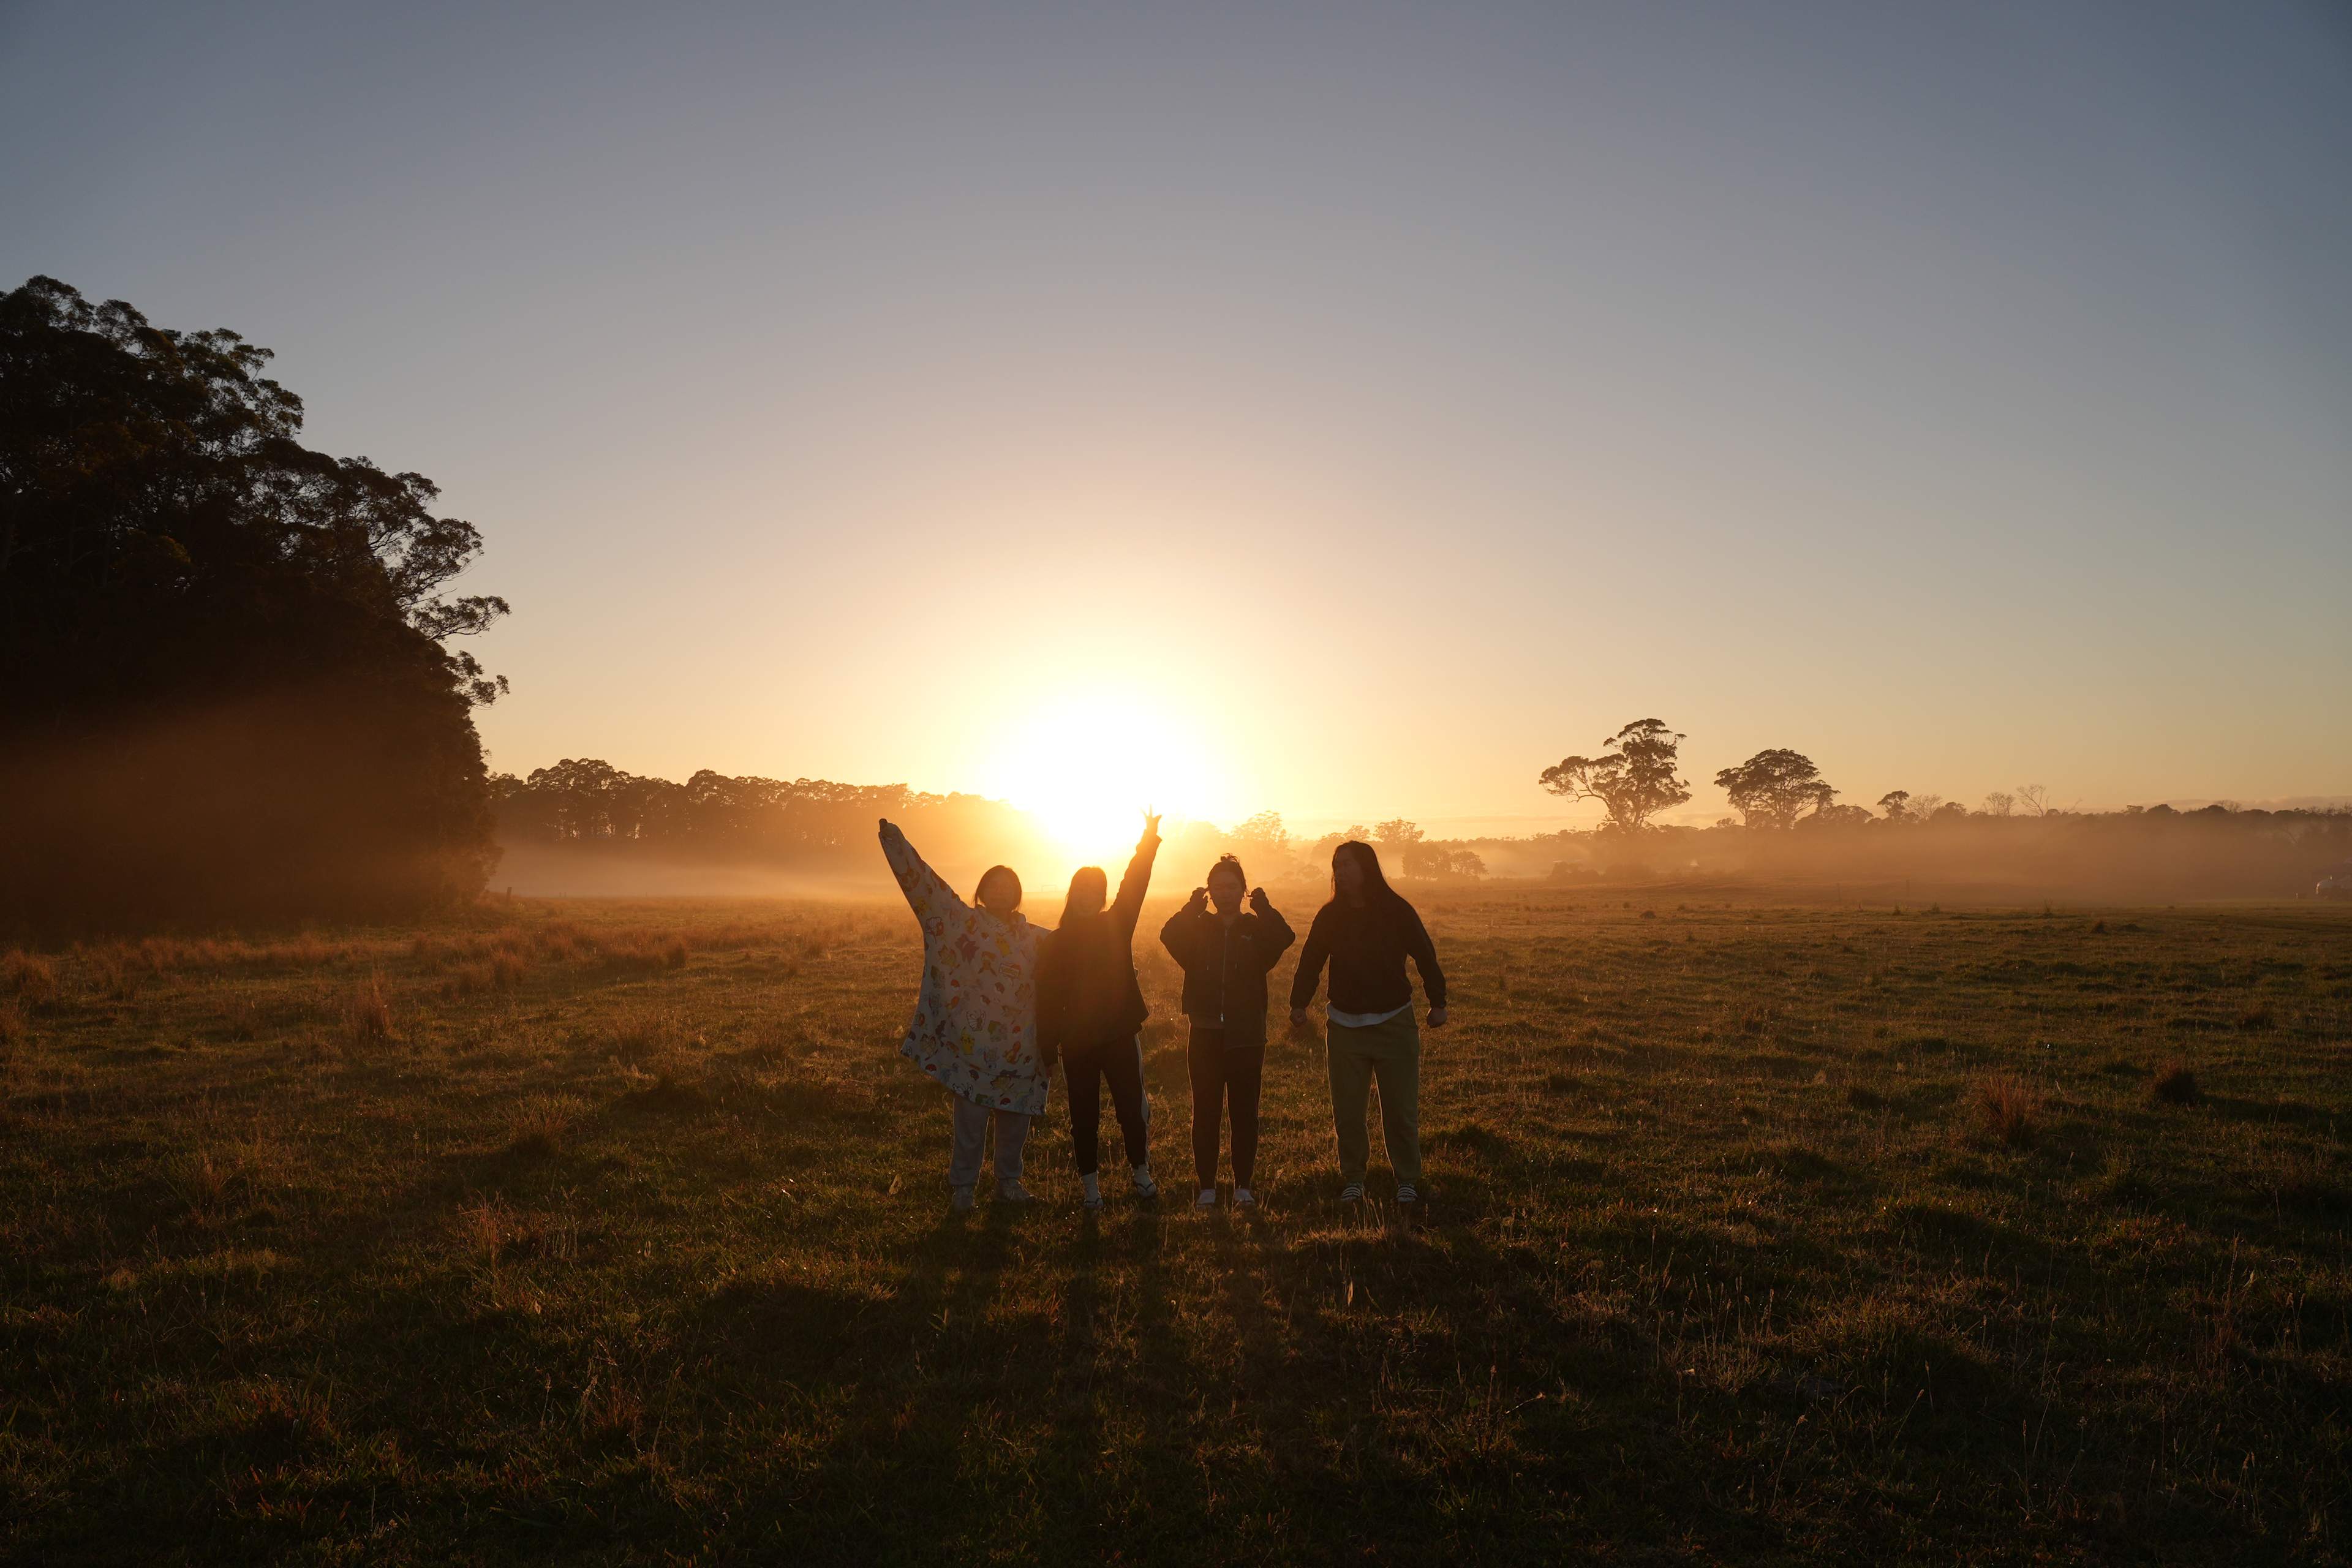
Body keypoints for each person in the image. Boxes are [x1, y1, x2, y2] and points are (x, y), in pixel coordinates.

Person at [878, 816, 1054, 1210]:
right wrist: (896, 842)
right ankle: (963, 1190)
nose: (1002, 891)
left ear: (1019, 895)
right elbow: (926, 887)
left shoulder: (1037, 938)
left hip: (1022, 1047)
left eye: (1009, 887)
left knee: (1015, 1119)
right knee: (970, 1123)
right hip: (972, 1046)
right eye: (994, 885)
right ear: (982, 891)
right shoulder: (962, 923)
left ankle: (1009, 1184)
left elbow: (1082, 945)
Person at [1289, 840, 1447, 1209]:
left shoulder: (1396, 910)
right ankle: (1354, 1180)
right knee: (1347, 1111)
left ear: (1367, 868)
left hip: (1395, 1023)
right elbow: (1311, 960)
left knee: (1400, 1111)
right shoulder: (1329, 916)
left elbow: (1425, 954)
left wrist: (1438, 1003)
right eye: (1336, 865)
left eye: (1347, 864)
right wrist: (1299, 1003)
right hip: (1344, 1028)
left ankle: (1407, 1180)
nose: (1340, 871)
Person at [1037, 813, 1163, 1209]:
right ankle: (1091, 1187)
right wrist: (1046, 1047)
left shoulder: (1117, 924)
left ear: (1104, 897)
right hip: (1077, 1044)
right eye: (1081, 890)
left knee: (1131, 1108)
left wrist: (1147, 842)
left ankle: (1140, 1173)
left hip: (1119, 1036)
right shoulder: (1056, 943)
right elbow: (1047, 997)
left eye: (1095, 891)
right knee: (1084, 1117)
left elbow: (1135, 886)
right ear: (1072, 895)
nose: (1088, 896)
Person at [1159, 854, 1294, 1209]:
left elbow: (1285, 936)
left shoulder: (1255, 929)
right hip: (1204, 1032)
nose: (1225, 893)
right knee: (1205, 1110)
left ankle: (1243, 1186)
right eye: (1217, 887)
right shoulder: (1198, 927)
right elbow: (1167, 934)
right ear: (1210, 891)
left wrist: (1262, 906)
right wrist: (1192, 907)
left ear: (1243, 889)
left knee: (1244, 1111)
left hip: (1247, 1034)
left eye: (1232, 886)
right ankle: (1207, 1186)